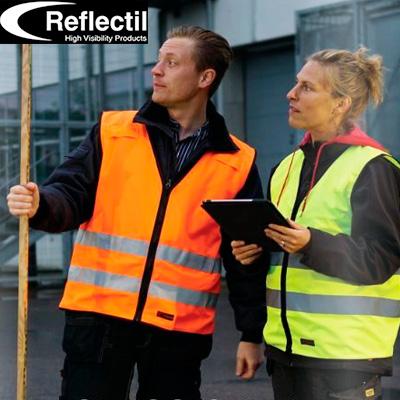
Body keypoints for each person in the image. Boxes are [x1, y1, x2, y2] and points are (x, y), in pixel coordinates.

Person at [7, 26, 266, 400]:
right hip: (98, 319)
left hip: (178, 330)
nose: (156, 70)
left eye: (171, 62)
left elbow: (246, 255)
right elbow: (70, 191)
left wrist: (251, 332)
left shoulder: (236, 161)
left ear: (205, 78)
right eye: (159, 60)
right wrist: (42, 204)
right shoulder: (113, 131)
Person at [232, 47, 400, 400]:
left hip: (344, 359)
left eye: (306, 87)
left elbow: (382, 258)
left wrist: (311, 243)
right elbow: (283, 259)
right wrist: (255, 253)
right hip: (286, 352)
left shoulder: (374, 168)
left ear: (340, 103)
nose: (290, 94)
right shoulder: (286, 167)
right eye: (296, 84)